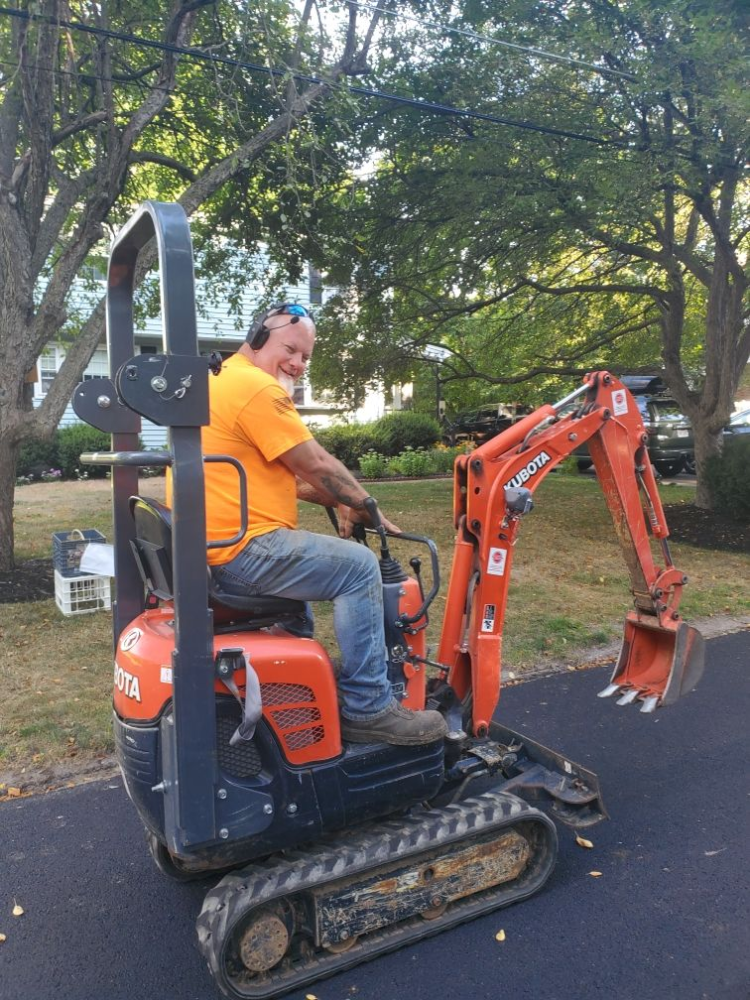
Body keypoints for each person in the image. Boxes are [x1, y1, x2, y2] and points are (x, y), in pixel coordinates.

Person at [202, 302, 447, 746]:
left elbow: (282, 477)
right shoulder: (256, 389)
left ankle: (297, 685)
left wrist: (337, 499)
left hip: (219, 542)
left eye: (305, 358)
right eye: (291, 350)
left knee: (308, 561)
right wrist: (367, 505)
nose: (297, 364)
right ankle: (369, 707)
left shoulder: (220, 380)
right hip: (242, 549)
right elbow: (314, 463)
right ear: (259, 337)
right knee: (356, 566)